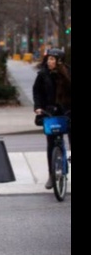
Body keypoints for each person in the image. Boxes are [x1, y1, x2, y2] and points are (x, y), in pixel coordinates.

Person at [32, 48, 72, 189]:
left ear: (59, 61)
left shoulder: (68, 72)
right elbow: (37, 91)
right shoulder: (43, 74)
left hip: (67, 109)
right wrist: (38, 107)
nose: (49, 62)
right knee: (51, 143)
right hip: (50, 111)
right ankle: (52, 175)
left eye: (52, 59)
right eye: (48, 59)